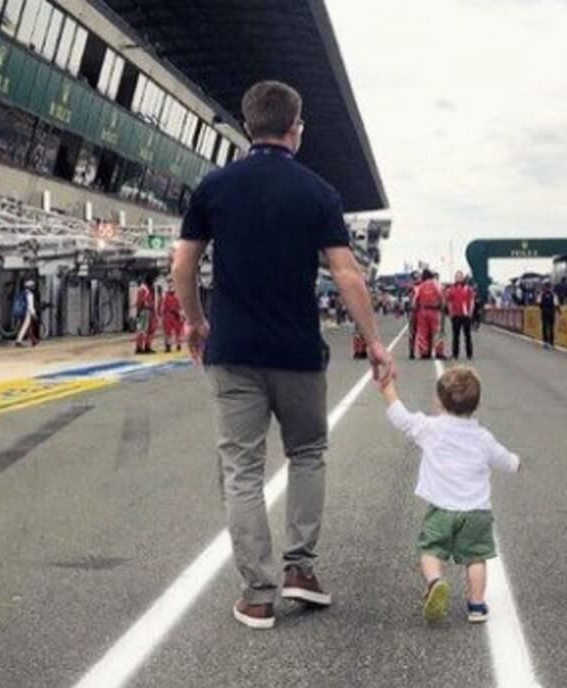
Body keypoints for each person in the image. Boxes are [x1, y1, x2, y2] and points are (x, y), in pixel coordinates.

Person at [172, 80, 394, 631]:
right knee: (309, 453)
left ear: (248, 127)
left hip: (234, 351)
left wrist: (196, 321)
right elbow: (347, 273)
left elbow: (182, 266)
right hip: (297, 351)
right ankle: (301, 569)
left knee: (242, 468)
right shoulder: (318, 192)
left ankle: (257, 594)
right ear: (297, 128)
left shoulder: (214, 187)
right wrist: (374, 343)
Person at [379, 367, 520, 624]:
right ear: (477, 406)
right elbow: (505, 461)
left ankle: (435, 582)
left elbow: (401, 418)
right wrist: (516, 462)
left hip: (441, 509)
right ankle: (476, 605)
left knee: (431, 550)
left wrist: (388, 388)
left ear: (438, 402)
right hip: (476, 511)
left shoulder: (430, 428)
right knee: (476, 557)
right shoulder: (483, 437)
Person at [413, 269, 444, 359]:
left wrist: (415, 310)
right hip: (434, 311)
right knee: (437, 332)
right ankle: (439, 352)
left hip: (423, 311)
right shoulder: (436, 284)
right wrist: (442, 308)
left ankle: (424, 352)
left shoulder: (420, 286)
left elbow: (415, 300)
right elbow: (441, 296)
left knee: (423, 333)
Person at [447, 271, 475, 360]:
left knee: (467, 335)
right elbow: (449, 302)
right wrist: (450, 313)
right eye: (456, 276)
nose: (458, 278)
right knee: (456, 336)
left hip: (466, 315)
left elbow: (471, 300)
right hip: (456, 315)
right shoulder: (452, 289)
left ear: (462, 278)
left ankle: (469, 354)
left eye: (460, 276)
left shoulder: (468, 288)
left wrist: (470, 311)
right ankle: (455, 354)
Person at [134, 275, 158, 354]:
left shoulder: (149, 289)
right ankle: (139, 347)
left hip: (149, 311)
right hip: (144, 311)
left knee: (150, 330)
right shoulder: (143, 289)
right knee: (142, 330)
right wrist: (139, 312)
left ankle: (147, 346)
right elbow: (140, 302)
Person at [14, 279, 39, 347]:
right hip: (26, 313)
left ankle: (33, 340)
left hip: (21, 312)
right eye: (32, 286)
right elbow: (30, 306)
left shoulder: (22, 293)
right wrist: (34, 314)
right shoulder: (30, 294)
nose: (33, 287)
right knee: (25, 326)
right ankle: (18, 340)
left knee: (27, 327)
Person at [161, 285, 184, 353]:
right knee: (171, 333)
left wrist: (180, 315)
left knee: (175, 332)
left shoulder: (172, 297)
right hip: (170, 316)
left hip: (172, 316)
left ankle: (174, 345)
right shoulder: (167, 297)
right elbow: (178, 307)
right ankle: (171, 346)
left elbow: (179, 307)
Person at [539, 281, 560, 349]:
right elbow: (556, 304)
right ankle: (551, 342)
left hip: (544, 312)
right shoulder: (553, 294)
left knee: (545, 327)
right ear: (550, 287)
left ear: (545, 287)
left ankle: (545, 342)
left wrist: (542, 308)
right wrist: (559, 312)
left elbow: (539, 303)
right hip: (551, 312)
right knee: (551, 327)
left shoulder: (542, 294)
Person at [407, 272, 422, 360]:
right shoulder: (411, 288)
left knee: (422, 332)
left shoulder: (423, 286)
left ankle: (423, 351)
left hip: (421, 311)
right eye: (415, 278)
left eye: (418, 277)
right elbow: (410, 299)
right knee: (412, 332)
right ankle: (411, 351)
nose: (417, 279)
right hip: (413, 311)